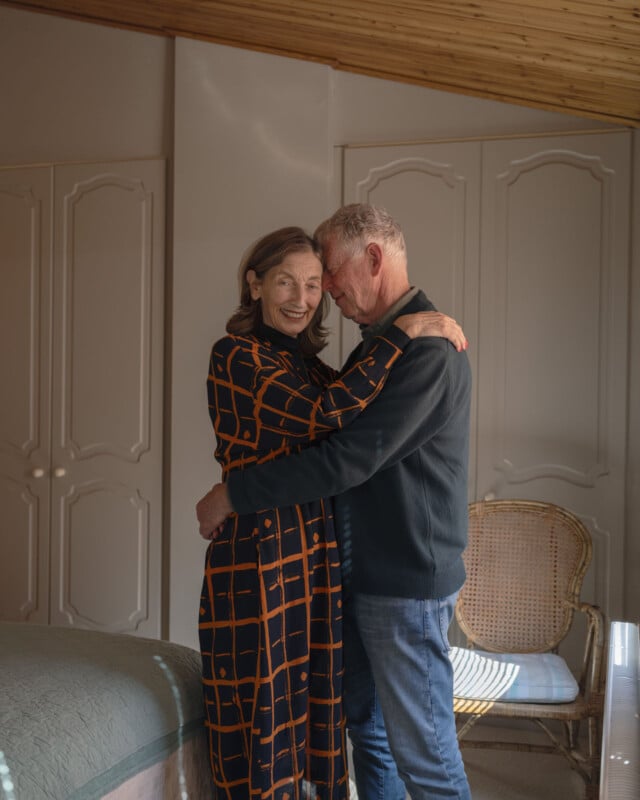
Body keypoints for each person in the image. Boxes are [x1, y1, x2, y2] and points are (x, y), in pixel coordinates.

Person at [198, 224, 467, 800]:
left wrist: (233, 493)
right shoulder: (246, 354)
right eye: (287, 282)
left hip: (383, 573)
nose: (311, 297)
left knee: (409, 747)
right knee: (297, 717)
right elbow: (327, 416)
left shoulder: (412, 349)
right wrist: (398, 333)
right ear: (255, 285)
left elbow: (346, 452)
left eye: (320, 282)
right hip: (285, 561)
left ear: (369, 259)